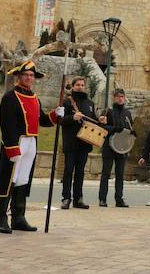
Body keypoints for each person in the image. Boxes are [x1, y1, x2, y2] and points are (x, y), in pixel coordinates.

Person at [0, 60, 63, 233]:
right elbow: (6, 124)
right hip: (16, 142)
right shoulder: (10, 97)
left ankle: (19, 217)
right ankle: (1, 219)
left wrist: (55, 115)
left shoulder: (34, 98)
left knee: (23, 180)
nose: (29, 78)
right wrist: (11, 147)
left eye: (32, 75)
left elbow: (42, 120)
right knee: (8, 180)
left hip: (31, 142)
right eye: (26, 75)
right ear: (19, 77)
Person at [60, 76, 99, 210]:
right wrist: (73, 117)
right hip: (71, 143)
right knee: (68, 170)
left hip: (84, 143)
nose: (80, 87)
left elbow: (93, 121)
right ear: (73, 86)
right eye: (78, 85)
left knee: (80, 172)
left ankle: (78, 199)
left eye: (82, 85)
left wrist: (101, 120)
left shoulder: (90, 103)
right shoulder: (66, 102)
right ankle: (66, 198)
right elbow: (61, 121)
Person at [99, 88, 135, 207]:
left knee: (120, 175)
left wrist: (133, 133)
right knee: (106, 174)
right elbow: (102, 128)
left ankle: (119, 199)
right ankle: (102, 199)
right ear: (114, 97)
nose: (120, 99)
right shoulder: (108, 111)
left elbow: (130, 129)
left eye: (122, 96)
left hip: (122, 147)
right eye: (118, 96)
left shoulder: (127, 113)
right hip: (109, 147)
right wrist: (113, 129)